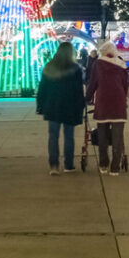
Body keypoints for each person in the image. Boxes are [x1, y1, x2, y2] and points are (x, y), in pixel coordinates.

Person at [36, 42, 84, 175]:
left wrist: (40, 105)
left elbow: (42, 88)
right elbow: (78, 91)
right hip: (70, 106)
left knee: (53, 136)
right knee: (69, 137)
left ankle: (54, 166)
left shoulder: (49, 67)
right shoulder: (75, 69)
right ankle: (68, 165)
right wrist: (81, 107)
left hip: (52, 106)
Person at [85, 39, 129, 175]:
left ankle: (104, 164)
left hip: (103, 103)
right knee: (117, 136)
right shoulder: (122, 64)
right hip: (118, 104)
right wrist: (123, 97)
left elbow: (92, 83)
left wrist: (87, 99)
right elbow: (125, 85)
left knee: (102, 135)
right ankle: (115, 168)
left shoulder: (98, 64)